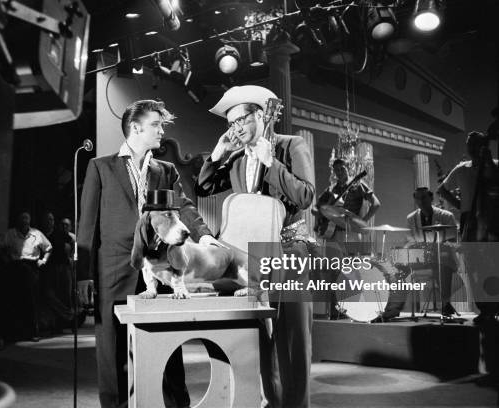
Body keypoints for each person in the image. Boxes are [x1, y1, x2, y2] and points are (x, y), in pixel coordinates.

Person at [77, 99, 218, 408]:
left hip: (158, 267)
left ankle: (176, 404)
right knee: (112, 353)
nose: (161, 130)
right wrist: (83, 276)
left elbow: (182, 206)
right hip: (113, 269)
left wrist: (205, 236)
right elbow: (87, 226)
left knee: (168, 349)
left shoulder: (165, 170)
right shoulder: (100, 167)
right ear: (135, 128)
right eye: (156, 124)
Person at [196, 85, 315, 408]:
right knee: (258, 337)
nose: (237, 129)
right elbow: (204, 187)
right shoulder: (234, 159)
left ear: (261, 116)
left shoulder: (292, 146)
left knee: (292, 339)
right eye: (231, 124)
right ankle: (271, 401)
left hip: (290, 250)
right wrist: (218, 153)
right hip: (252, 258)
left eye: (242, 121)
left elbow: (305, 196)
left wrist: (272, 165)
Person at [438, 131, 499, 324]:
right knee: (474, 267)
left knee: (493, 266)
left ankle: (494, 307)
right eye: (469, 145)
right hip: (469, 220)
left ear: (484, 146)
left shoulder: (495, 165)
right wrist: (461, 205)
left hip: (492, 221)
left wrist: (488, 164)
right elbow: (442, 190)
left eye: (476, 145)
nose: (472, 149)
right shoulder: (462, 168)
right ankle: (484, 308)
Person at [372, 187, 458, 322]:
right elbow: (410, 240)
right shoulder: (411, 218)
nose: (421, 201)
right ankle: (393, 308)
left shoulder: (446, 216)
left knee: (443, 263)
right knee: (398, 268)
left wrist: (437, 246)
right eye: (418, 198)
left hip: (441, 256)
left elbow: (453, 239)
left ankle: (445, 304)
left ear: (431, 198)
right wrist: (406, 252)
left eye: (424, 197)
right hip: (421, 256)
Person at [313, 158, 381, 318]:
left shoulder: (358, 185)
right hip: (332, 233)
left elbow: (376, 203)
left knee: (350, 272)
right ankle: (335, 310)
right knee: (333, 272)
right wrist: (324, 214)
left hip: (350, 232)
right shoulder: (332, 189)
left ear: (348, 168)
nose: (339, 172)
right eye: (336, 170)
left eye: (341, 169)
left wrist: (362, 221)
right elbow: (315, 209)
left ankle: (351, 309)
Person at [0, 211, 52, 342]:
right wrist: (4, 258)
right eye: (22, 218)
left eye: (27, 218)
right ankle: (15, 332)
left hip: (32, 268)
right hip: (15, 267)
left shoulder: (36, 233)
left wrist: (44, 260)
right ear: (18, 220)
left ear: (30, 220)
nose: (25, 220)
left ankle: (32, 332)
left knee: (32, 300)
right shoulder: (11, 234)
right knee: (16, 299)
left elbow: (48, 248)